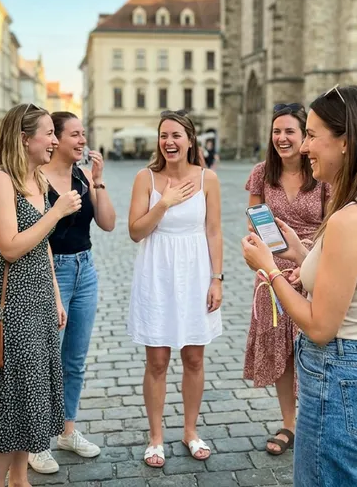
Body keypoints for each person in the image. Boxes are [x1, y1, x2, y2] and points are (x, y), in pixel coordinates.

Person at [241, 84, 357, 485]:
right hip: (349, 368)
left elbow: (318, 326)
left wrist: (271, 268)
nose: (304, 146)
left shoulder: (349, 219)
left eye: (311, 135)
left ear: (345, 143)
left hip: (336, 373)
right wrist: (300, 254)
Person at [0, 103, 82, 480]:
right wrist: (56, 214)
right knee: (12, 403)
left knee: (29, 406)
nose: (54, 140)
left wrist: (55, 296)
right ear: (24, 139)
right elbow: (9, 245)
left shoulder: (37, 180)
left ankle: (20, 480)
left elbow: (43, 246)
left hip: (39, 301)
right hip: (13, 307)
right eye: (48, 133)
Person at [127, 110, 222, 467]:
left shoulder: (207, 179)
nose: (169, 142)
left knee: (194, 357)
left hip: (196, 272)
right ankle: (155, 437)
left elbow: (214, 230)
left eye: (176, 135)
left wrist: (217, 278)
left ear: (190, 140)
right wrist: (163, 203)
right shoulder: (145, 178)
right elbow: (136, 231)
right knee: (157, 360)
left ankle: (190, 430)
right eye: (164, 135)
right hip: (156, 272)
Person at [243, 103, 330, 455]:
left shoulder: (322, 172)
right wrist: (255, 246)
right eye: (276, 131)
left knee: (312, 346)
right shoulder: (262, 173)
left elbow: (333, 224)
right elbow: (252, 224)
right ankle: (289, 423)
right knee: (281, 351)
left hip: (313, 264)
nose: (281, 137)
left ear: (305, 135)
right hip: (272, 270)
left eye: (290, 131)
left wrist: (306, 255)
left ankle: (315, 420)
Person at [40, 111, 116, 460]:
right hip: (50, 271)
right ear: (54, 138)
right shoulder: (36, 178)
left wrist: (98, 180)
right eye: (75, 134)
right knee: (45, 359)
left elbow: (108, 223)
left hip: (85, 269)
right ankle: (36, 442)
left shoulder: (82, 175)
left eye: (83, 133)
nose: (82, 140)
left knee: (75, 359)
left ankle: (67, 431)